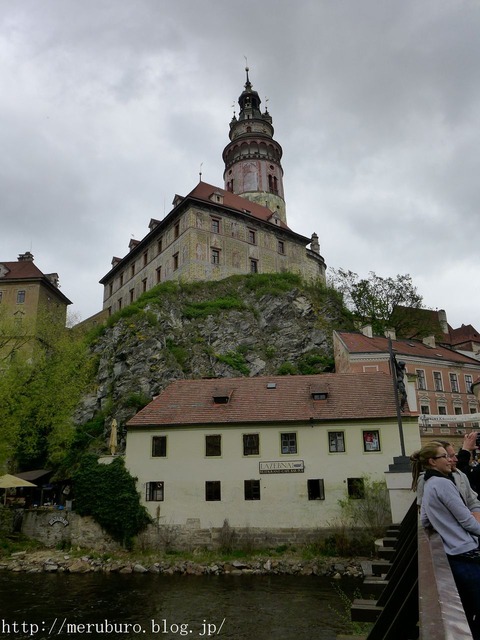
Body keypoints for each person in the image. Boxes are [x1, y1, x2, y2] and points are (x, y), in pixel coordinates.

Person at [411, 442, 480, 639]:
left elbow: (424, 519)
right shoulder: (443, 484)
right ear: (432, 461)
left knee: (467, 611)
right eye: (445, 456)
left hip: (453, 555)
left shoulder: (428, 483)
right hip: (466, 553)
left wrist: (442, 525)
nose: (451, 460)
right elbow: (467, 520)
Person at [415, 440, 480, 519]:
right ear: (433, 461)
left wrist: (477, 521)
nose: (456, 459)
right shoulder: (426, 480)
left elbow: (473, 501)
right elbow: (425, 515)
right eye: (450, 456)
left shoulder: (459, 475)